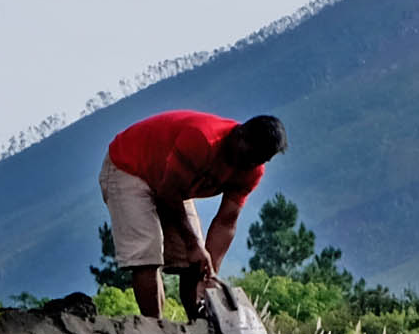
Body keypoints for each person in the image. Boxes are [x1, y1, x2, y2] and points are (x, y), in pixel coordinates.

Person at [99, 110, 286, 321]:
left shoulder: (253, 170)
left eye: (260, 160)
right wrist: (193, 244)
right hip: (130, 166)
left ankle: (198, 329)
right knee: (147, 253)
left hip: (173, 180)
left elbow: (226, 222)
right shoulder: (204, 140)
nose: (250, 164)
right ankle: (154, 330)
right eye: (249, 155)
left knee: (195, 264)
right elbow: (168, 193)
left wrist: (209, 271)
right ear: (240, 135)